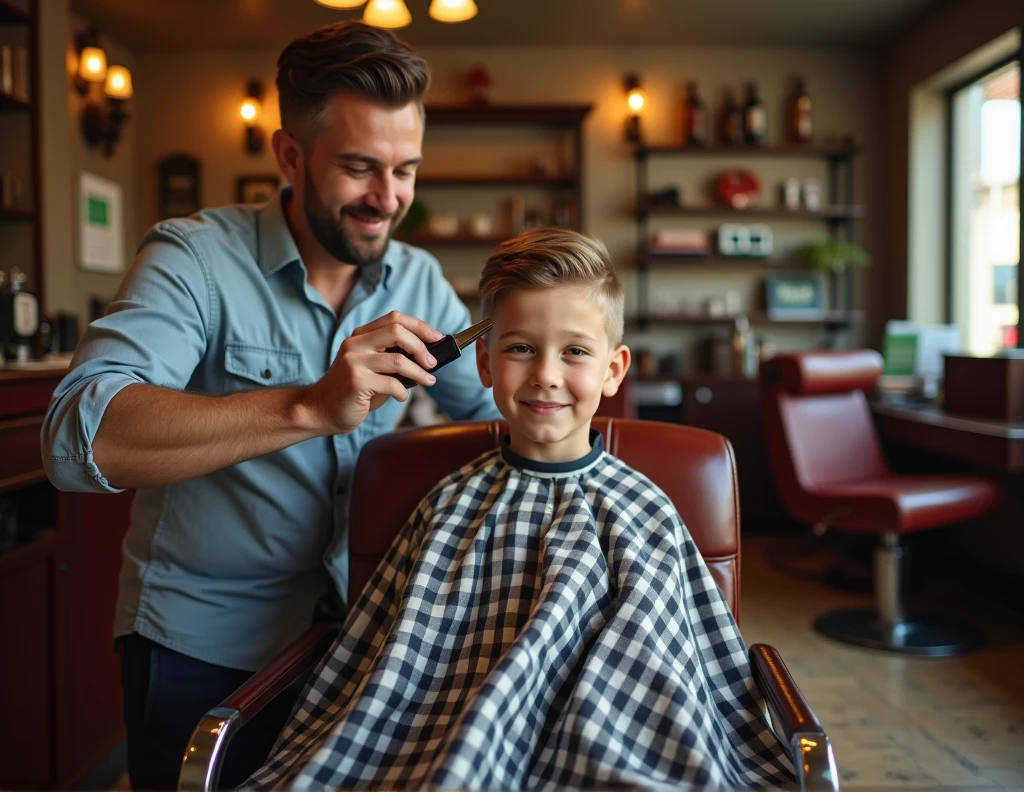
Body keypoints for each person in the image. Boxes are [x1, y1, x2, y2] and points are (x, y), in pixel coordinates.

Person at [40, 21, 497, 790]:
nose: (389, 201)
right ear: (290, 156)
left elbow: (496, 417)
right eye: (359, 168)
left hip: (353, 641)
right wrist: (310, 407)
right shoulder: (193, 257)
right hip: (198, 650)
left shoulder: (417, 277)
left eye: (407, 170)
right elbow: (75, 435)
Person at [247, 228, 795, 790]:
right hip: (441, 745)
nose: (546, 375)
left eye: (576, 351)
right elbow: (383, 664)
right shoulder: (448, 504)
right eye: (520, 348)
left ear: (613, 369)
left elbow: (683, 677)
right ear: (484, 363)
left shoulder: (645, 510)